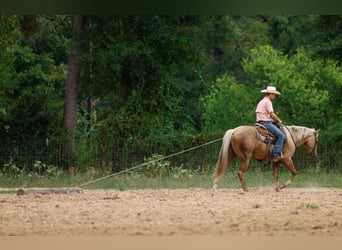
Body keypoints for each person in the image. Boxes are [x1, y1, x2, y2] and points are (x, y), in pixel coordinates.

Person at [256, 86, 285, 161]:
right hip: (265, 123)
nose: (275, 96)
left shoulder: (262, 101)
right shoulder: (268, 102)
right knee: (281, 136)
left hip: (260, 122)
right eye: (274, 95)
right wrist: (279, 120)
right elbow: (272, 114)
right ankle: (275, 154)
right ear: (271, 94)